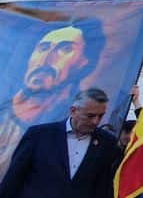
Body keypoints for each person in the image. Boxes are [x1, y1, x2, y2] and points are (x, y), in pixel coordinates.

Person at [0, 19, 106, 181]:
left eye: (65, 49)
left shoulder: (71, 124)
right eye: (43, 48)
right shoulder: (3, 111)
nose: (46, 59)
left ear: (85, 64)